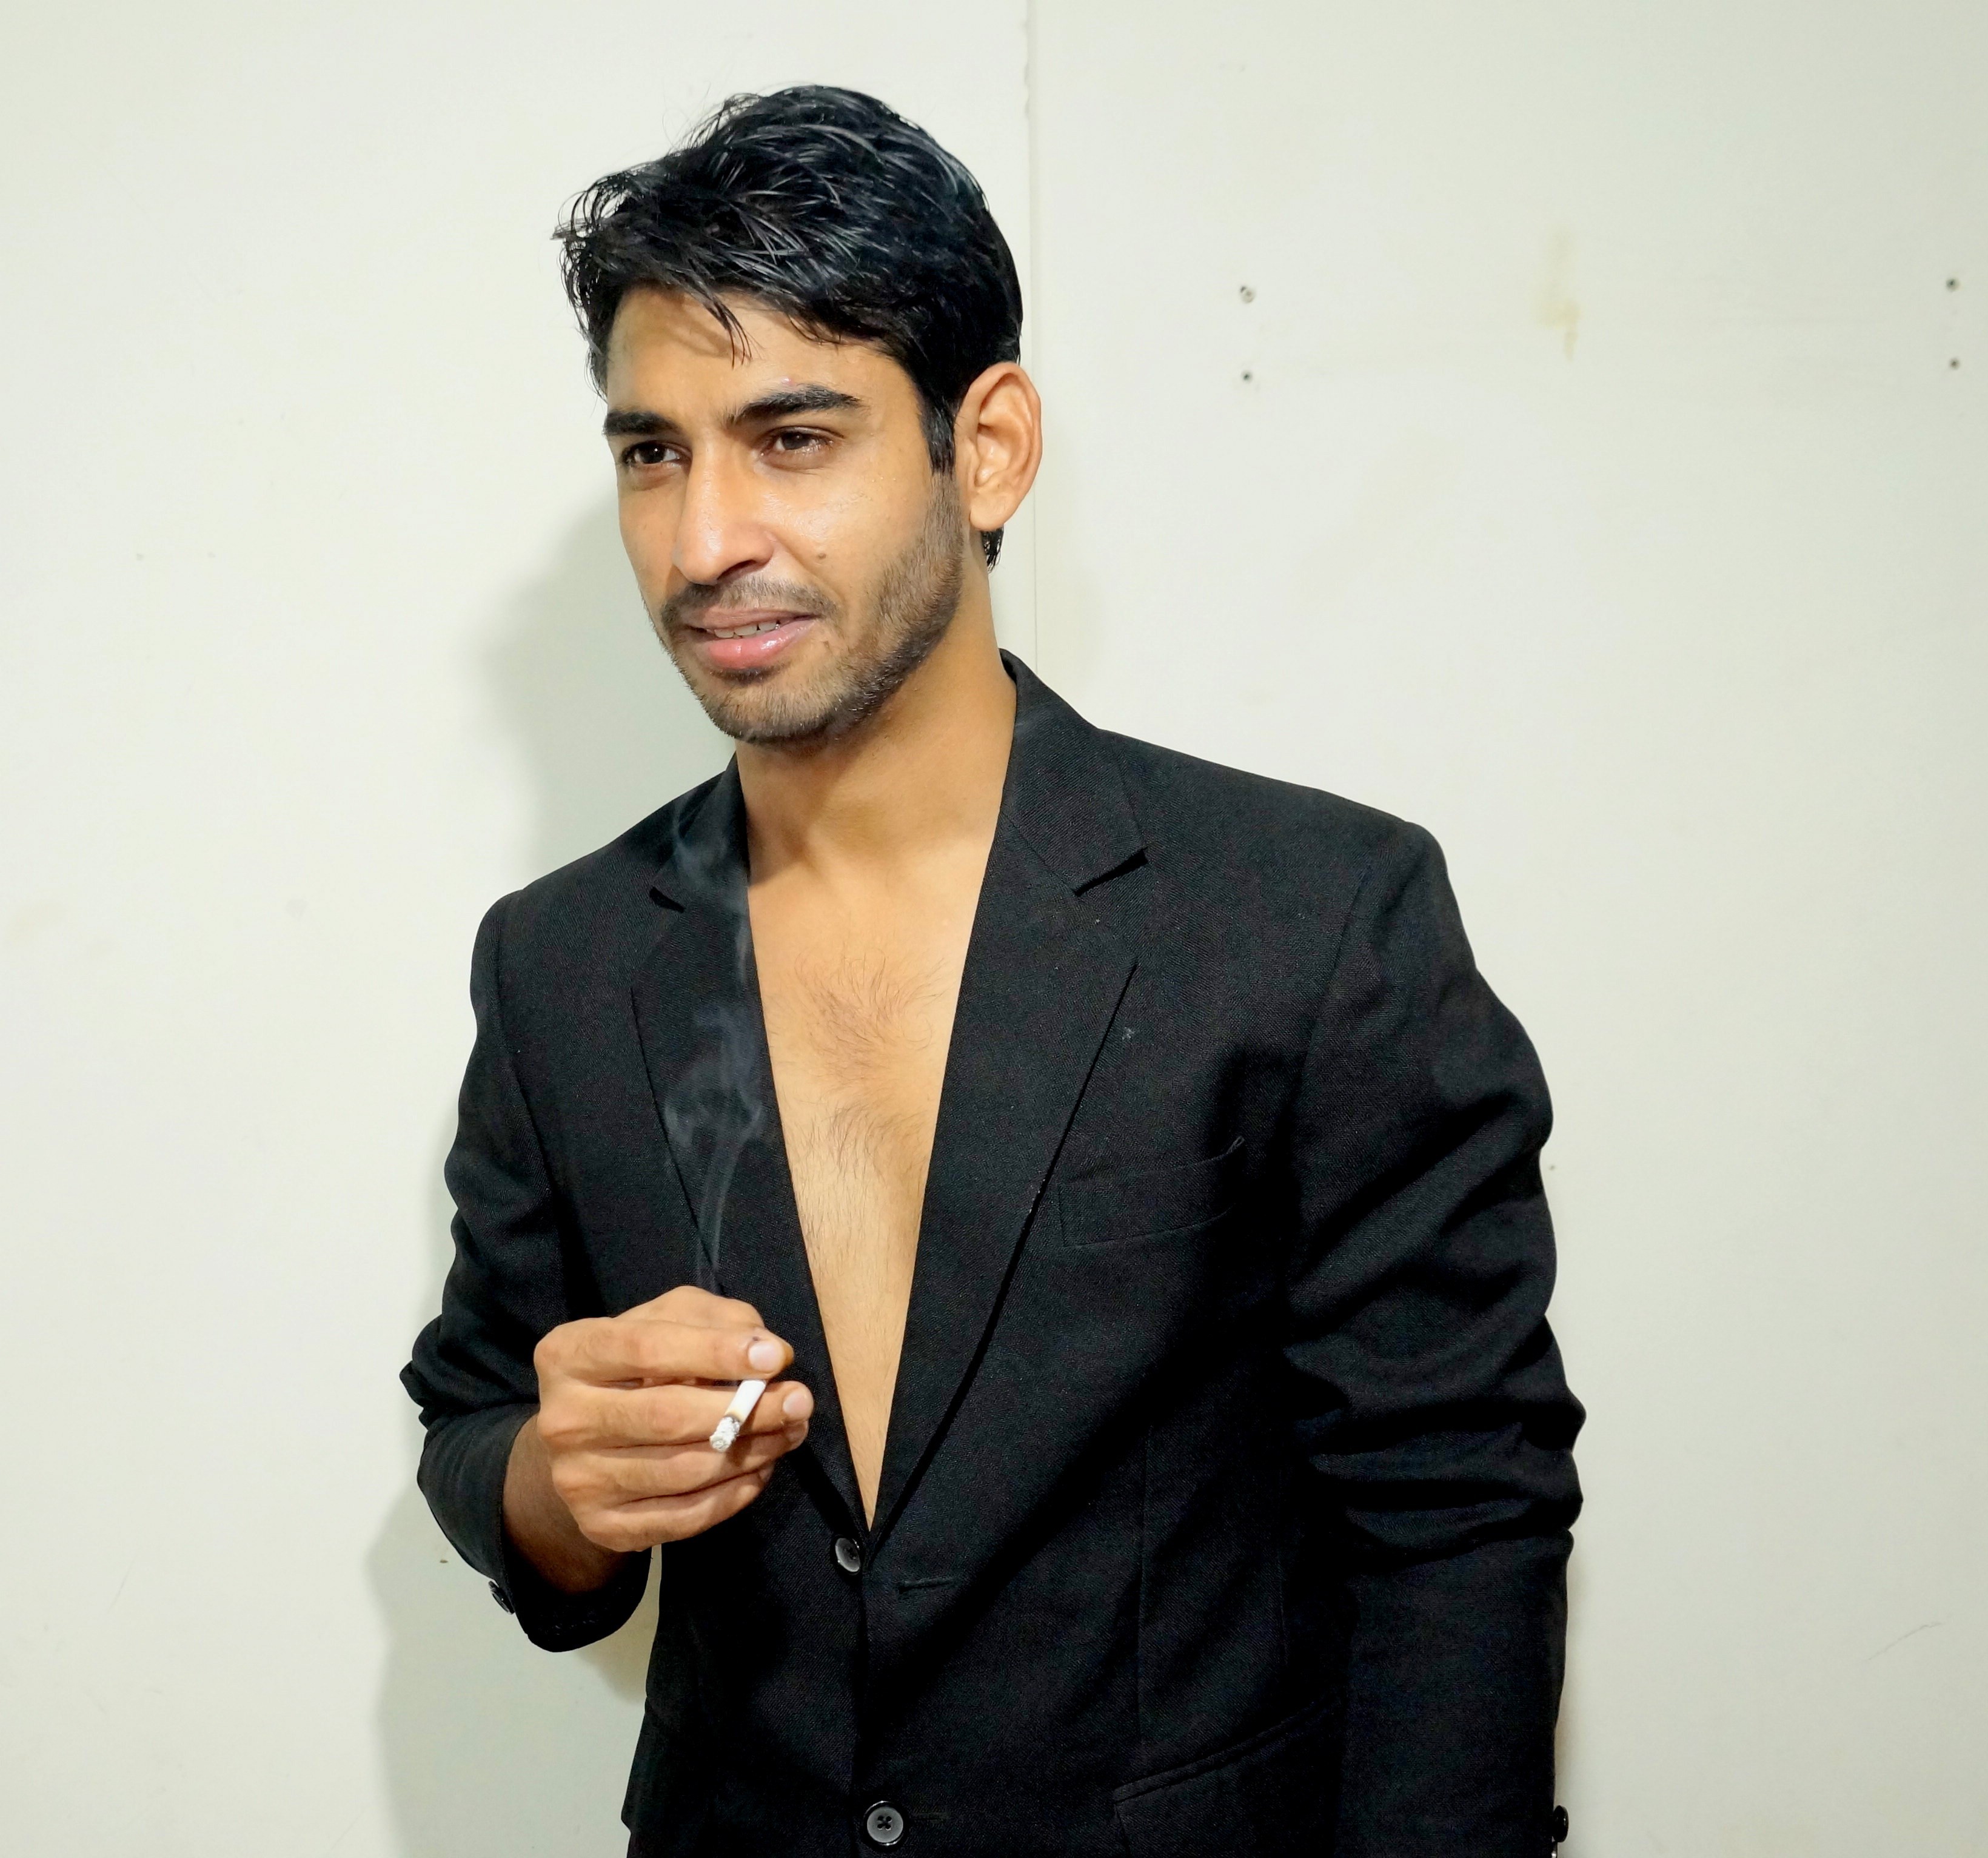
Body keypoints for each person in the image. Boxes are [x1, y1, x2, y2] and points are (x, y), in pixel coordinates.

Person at [400, 85, 1583, 1858]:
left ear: (991, 448)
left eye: (793, 437)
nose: (706, 540)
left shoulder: (1311, 918)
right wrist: (557, 1492)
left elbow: (1460, 1516)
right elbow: (482, 1413)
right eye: (653, 453)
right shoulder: (562, 962)